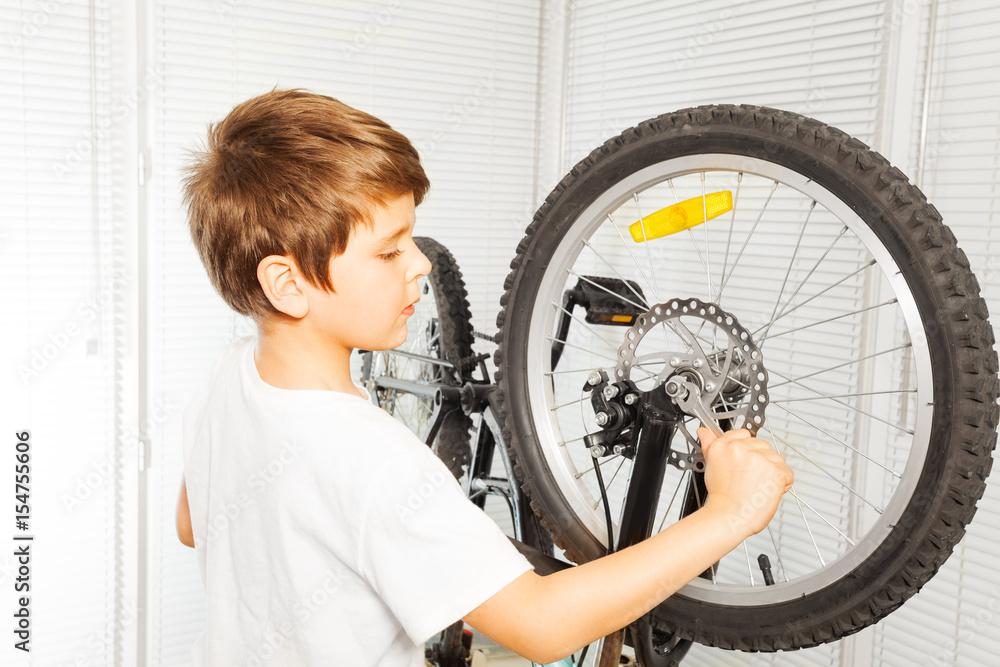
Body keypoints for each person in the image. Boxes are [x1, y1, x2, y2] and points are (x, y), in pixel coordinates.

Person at [175, 88, 794, 666]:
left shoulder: (231, 375)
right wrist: (729, 514)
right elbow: (541, 626)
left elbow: (190, 523)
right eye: (389, 251)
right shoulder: (374, 459)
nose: (418, 263)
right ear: (288, 284)